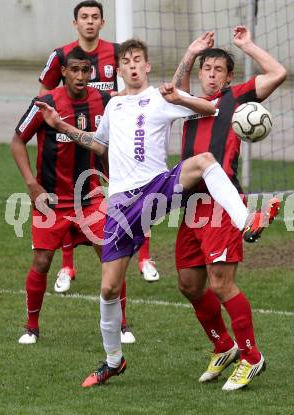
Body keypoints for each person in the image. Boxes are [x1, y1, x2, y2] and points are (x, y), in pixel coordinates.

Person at [35, 38, 260, 388]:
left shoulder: (160, 97)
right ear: (120, 70)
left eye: (139, 60)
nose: (134, 65)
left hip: (156, 187)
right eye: (127, 61)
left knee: (204, 162)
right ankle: (113, 361)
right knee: (108, 288)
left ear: (148, 66)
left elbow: (209, 109)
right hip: (122, 204)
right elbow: (99, 144)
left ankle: (247, 219)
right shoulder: (113, 106)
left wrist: (182, 90)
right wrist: (61, 126)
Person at [171, 27, 286, 390]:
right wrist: (190, 54)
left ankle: (252, 357)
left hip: (223, 204)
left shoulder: (235, 98)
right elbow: (173, 89)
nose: (211, 75)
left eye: (218, 69)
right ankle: (223, 346)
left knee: (222, 284)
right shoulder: (187, 101)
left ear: (229, 76)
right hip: (192, 205)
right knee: (189, 284)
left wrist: (246, 45)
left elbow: (278, 73)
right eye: (206, 69)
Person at [39, 0, 160, 297]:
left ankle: (144, 257)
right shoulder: (60, 55)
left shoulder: (117, 52)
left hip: (112, 137)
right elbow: (45, 94)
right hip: (77, 138)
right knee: (72, 193)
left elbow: (134, 84)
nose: (90, 22)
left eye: (95, 17)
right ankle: (67, 266)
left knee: (134, 192)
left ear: (102, 22)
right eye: (84, 17)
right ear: (75, 23)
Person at [11, 46, 114, 345]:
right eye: (75, 70)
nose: (80, 76)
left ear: (91, 73)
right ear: (64, 72)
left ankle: (120, 327)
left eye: (86, 71)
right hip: (52, 201)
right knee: (42, 262)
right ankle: (31, 327)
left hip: (92, 198)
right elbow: (17, 141)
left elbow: (107, 146)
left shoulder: (104, 102)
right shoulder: (44, 104)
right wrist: (32, 185)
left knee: (111, 258)